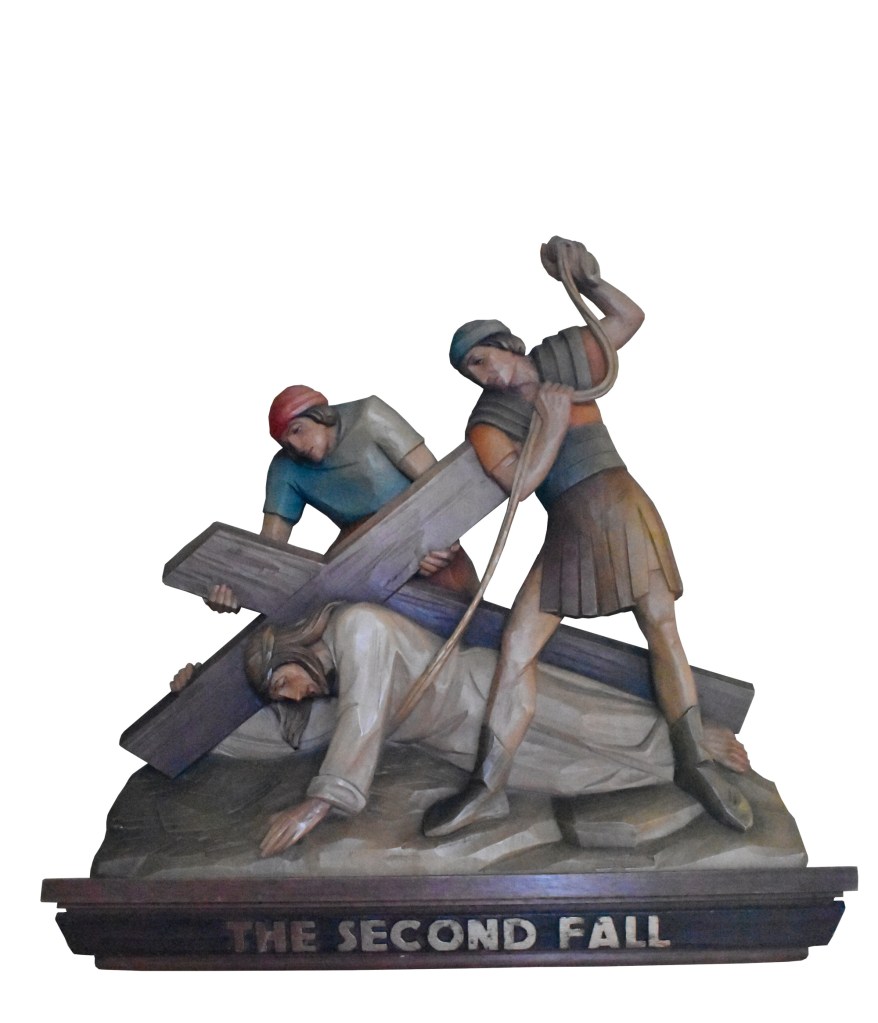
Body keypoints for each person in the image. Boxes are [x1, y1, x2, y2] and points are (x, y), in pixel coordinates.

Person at [422, 237, 752, 837]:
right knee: (517, 647)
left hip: (620, 505)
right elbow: (520, 485)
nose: (482, 374)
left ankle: (694, 765)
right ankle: (487, 785)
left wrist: (588, 279)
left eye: (483, 359)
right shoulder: (488, 421)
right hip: (568, 525)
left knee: (662, 627)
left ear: (507, 344)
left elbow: (628, 319)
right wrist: (549, 426)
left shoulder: (564, 356)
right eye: (470, 370)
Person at [180, 602, 685, 857]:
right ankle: (677, 773)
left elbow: (363, 716)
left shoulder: (358, 627)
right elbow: (289, 737)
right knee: (574, 774)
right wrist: (197, 710)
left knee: (602, 725)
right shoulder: (332, 682)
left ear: (291, 652)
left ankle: (697, 746)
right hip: (457, 744)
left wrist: (316, 805)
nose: (292, 697)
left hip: (487, 692)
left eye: (282, 684)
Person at [205, 384, 478, 612]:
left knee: (461, 611)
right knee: (322, 608)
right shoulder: (286, 467)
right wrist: (236, 587)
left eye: (298, 430)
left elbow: (440, 485)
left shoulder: (369, 417)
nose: (296, 447)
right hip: (360, 553)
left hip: (422, 531)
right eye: (287, 444)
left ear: (320, 415)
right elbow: (269, 550)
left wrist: (443, 541)